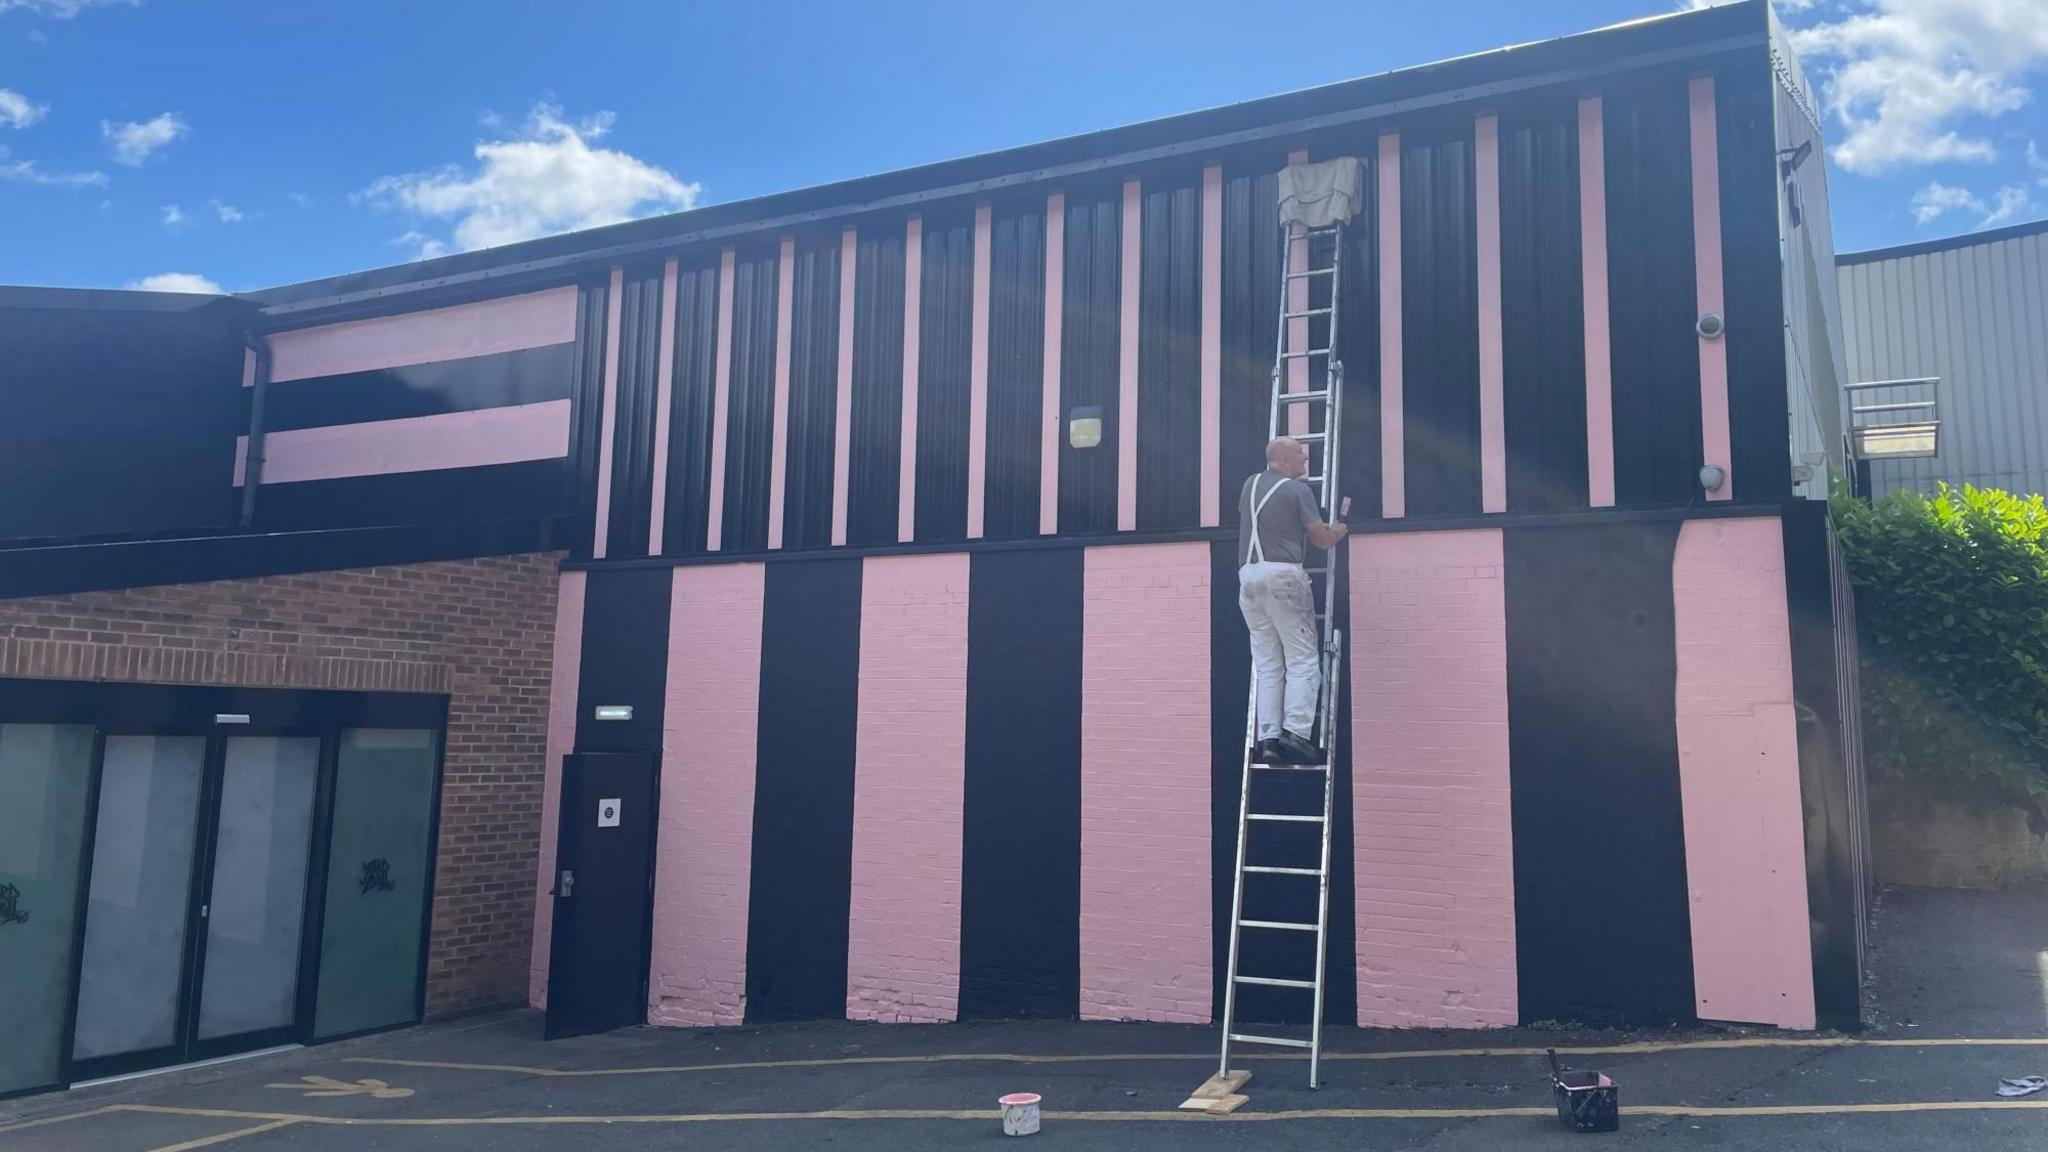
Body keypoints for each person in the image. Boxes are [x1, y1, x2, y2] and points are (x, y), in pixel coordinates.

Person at [1237, 436, 1348, 765]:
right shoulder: (1299, 490)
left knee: (1269, 663)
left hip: (1248, 577)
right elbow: (1321, 539)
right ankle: (1297, 735)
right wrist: (1338, 530)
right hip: (1283, 576)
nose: (1305, 461)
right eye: (1300, 455)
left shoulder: (1249, 485)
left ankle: (1268, 738)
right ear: (1283, 460)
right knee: (1302, 660)